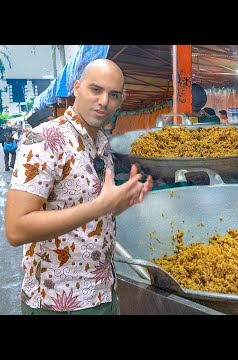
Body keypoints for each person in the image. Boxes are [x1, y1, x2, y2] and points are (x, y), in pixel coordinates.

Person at [4, 58, 154, 315]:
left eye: (114, 95)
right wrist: (99, 207)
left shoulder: (100, 143)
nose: (104, 101)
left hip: (102, 291)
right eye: (96, 89)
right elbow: (16, 229)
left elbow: (82, 210)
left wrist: (116, 205)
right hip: (58, 303)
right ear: (77, 87)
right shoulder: (45, 140)